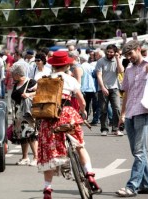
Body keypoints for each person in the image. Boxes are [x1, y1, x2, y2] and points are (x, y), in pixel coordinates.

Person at [37, 51, 101, 199]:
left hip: (49, 118)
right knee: (79, 146)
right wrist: (83, 111)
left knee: (49, 154)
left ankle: (47, 188)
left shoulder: (43, 79)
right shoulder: (70, 79)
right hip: (67, 115)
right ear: (66, 65)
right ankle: (89, 174)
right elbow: (81, 100)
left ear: (52, 65)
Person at [116, 40, 148, 197]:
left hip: (144, 111)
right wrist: (122, 114)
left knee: (139, 152)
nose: (129, 57)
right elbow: (126, 92)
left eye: (131, 54)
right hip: (130, 112)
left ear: (138, 49)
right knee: (137, 151)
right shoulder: (129, 69)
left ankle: (132, 186)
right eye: (127, 55)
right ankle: (147, 184)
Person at [10, 64, 38, 167]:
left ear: (17, 74)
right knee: (22, 135)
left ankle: (36, 157)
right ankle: (25, 157)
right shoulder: (16, 83)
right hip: (18, 113)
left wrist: (29, 94)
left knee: (30, 134)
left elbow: (40, 91)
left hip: (28, 113)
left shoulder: (31, 82)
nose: (12, 76)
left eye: (13, 74)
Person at [96, 44, 124, 136]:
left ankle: (116, 128)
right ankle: (104, 129)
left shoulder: (117, 60)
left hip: (114, 88)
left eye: (111, 52)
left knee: (117, 108)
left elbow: (121, 71)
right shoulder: (101, 61)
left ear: (115, 53)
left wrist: (117, 58)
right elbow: (99, 75)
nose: (109, 53)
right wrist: (103, 87)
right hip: (103, 88)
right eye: (108, 51)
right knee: (103, 110)